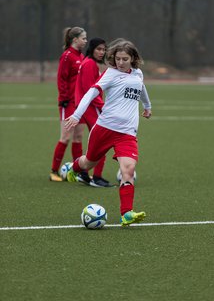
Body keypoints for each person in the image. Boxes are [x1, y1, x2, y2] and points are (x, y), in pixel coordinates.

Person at [65, 39, 152, 226]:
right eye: (117, 58)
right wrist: (76, 114)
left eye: (125, 59)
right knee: (89, 161)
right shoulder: (110, 74)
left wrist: (147, 106)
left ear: (133, 58)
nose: (120, 62)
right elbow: (91, 92)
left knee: (128, 170)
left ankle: (126, 213)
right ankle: (74, 168)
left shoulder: (138, 74)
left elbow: (142, 88)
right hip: (105, 128)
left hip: (127, 133)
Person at [74, 37, 114, 187]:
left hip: (87, 107)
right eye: (99, 49)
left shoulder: (87, 62)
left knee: (94, 141)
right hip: (91, 108)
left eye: (104, 49)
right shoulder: (89, 64)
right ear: (92, 49)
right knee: (102, 140)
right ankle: (97, 177)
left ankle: (84, 174)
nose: (101, 52)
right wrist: (103, 106)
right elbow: (90, 90)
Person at [49, 26, 87, 182]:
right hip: (68, 102)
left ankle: (77, 172)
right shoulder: (67, 56)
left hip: (80, 103)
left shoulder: (82, 56)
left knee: (78, 137)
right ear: (75, 39)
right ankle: (53, 171)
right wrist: (64, 98)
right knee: (65, 137)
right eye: (83, 38)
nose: (85, 41)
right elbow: (61, 78)